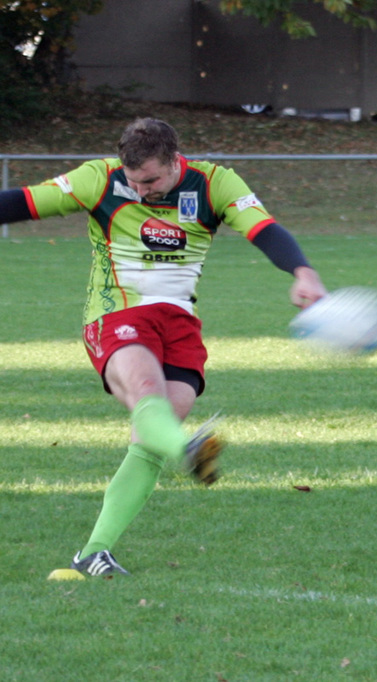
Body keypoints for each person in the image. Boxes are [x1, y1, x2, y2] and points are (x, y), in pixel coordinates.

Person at [0, 118, 327, 575]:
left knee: (153, 436)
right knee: (146, 391)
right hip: (117, 313)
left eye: (151, 181)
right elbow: (21, 202)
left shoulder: (214, 184)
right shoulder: (99, 179)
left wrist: (302, 272)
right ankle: (189, 448)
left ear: (175, 161)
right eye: (133, 181)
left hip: (179, 324)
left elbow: (264, 229)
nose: (141, 191)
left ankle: (93, 552)